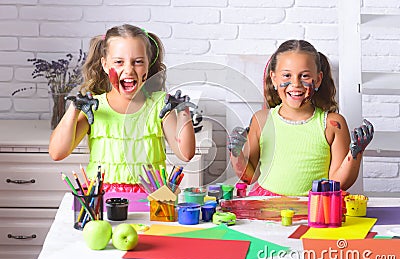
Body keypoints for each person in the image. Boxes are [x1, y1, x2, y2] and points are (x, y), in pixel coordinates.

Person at [49, 24, 196, 193]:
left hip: (152, 200)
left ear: (148, 64)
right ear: (105, 64)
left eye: (138, 62)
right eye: (119, 62)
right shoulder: (94, 107)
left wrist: (184, 112)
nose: (129, 70)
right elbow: (57, 153)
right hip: (102, 201)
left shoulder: (160, 105)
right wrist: (74, 109)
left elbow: (185, 154)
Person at [228, 39, 374, 196]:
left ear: (318, 79)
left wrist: (356, 153)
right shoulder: (261, 121)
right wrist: (236, 154)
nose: (295, 83)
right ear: (274, 78)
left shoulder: (332, 124)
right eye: (286, 75)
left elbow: (338, 183)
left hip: (315, 209)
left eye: (304, 76)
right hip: (267, 208)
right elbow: (250, 177)